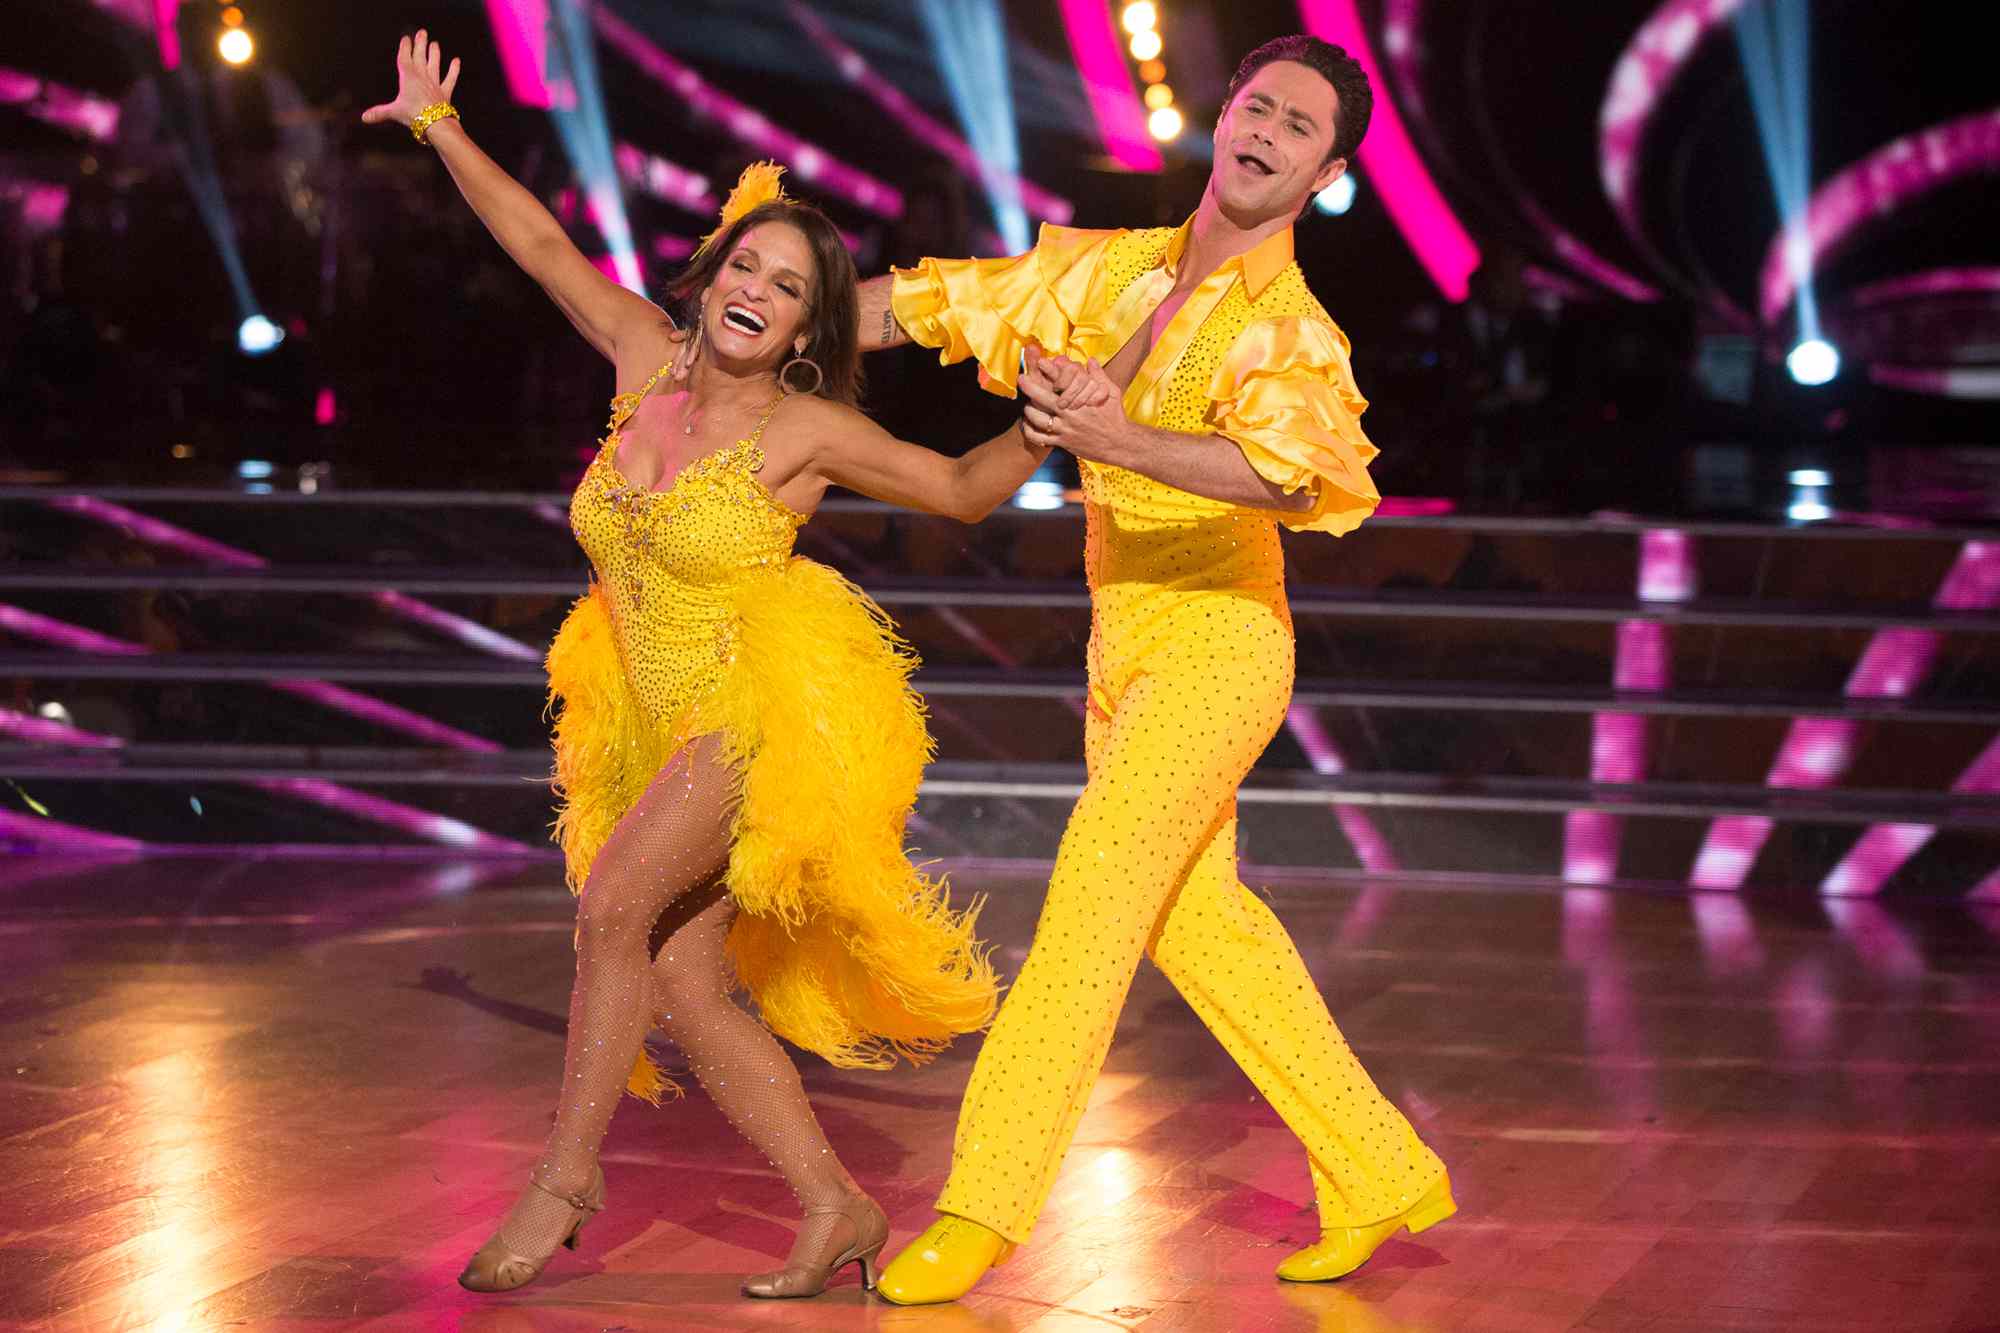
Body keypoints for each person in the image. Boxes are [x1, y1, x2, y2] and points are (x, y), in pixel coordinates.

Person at [362, 32, 1053, 1300]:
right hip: (649, 717)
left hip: (755, 714)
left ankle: (565, 1180)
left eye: (787, 285)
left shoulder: (805, 428)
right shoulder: (639, 363)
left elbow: (958, 490)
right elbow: (539, 247)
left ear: (805, 324)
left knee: (610, 907)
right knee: (681, 976)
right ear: (712, 273)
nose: (756, 288)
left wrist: (1054, 422)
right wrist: (437, 127)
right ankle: (836, 1204)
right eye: (747, 263)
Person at [852, 35, 1454, 1303]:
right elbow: (923, 301)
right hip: (1119, 646)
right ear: (1220, 114)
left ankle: (984, 1204)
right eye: (1255, 105)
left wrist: (1120, 433)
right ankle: (1377, 1164)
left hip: (1222, 644)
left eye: (1297, 126)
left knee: (1091, 902)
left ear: (1322, 171)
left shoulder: (1285, 327)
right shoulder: (1107, 270)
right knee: (1203, 928)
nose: (1264, 131)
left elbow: (1290, 473)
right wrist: (760, 316)